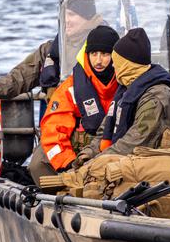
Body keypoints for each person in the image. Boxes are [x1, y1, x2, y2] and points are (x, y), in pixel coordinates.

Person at [28, 26, 120, 184]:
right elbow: (53, 129)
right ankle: (59, 196)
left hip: (115, 148)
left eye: (105, 54)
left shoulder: (126, 83)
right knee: (38, 164)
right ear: (87, 54)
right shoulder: (71, 88)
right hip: (76, 154)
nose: (98, 60)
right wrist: (68, 164)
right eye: (94, 54)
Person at [77, 28, 170, 161]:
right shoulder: (125, 91)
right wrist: (90, 152)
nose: (113, 67)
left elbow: (135, 141)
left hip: (157, 161)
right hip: (130, 159)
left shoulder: (156, 96)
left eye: (117, 62)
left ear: (127, 66)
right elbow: (105, 130)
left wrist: (96, 161)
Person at [0, 0, 102, 103]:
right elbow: (20, 77)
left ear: (88, 18)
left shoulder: (106, 46)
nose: (66, 20)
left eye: (72, 15)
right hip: (59, 120)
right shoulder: (51, 49)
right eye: (64, 15)